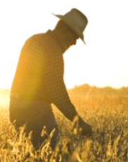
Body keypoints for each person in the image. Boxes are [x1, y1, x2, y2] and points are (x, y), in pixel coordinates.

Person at [9, 8, 93, 149]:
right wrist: (78, 122)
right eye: (74, 38)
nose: (74, 43)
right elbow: (58, 94)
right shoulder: (53, 51)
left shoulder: (34, 40)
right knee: (53, 155)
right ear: (65, 31)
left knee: (27, 155)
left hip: (15, 107)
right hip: (35, 111)